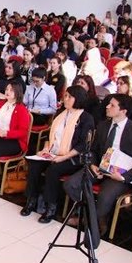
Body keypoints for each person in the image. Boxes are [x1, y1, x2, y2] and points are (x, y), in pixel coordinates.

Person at [63, 94, 132, 235]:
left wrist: (123, 177)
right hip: (100, 167)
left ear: (123, 111)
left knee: (105, 196)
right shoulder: (103, 126)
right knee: (71, 184)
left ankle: (94, 219)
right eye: (108, 104)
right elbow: (93, 150)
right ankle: (92, 217)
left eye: (112, 105)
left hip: (120, 174)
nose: (107, 107)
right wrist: (92, 165)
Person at [20, 86, 94, 223]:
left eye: (69, 97)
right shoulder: (61, 114)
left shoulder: (86, 118)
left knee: (53, 170)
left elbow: (82, 145)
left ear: (78, 99)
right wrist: (46, 149)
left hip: (72, 157)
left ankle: (51, 207)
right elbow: (50, 136)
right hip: (54, 153)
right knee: (35, 164)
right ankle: (31, 200)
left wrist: (63, 158)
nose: (65, 99)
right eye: (65, 96)